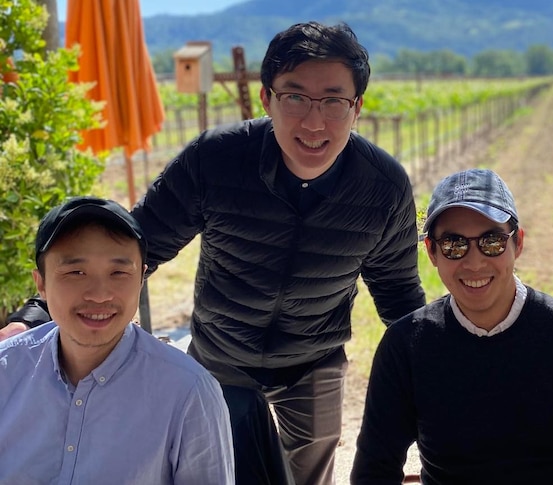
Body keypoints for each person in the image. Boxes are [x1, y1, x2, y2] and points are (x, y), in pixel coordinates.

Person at [3, 21, 425, 485]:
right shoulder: (216, 160)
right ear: (266, 98)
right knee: (219, 469)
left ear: (357, 106)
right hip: (221, 354)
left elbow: (397, 291)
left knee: (310, 473)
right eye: (295, 96)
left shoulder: (382, 188)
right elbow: (139, 244)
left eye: (333, 100)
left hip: (314, 358)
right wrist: (37, 313)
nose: (313, 121)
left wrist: (432, 365)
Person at [351, 168, 553, 484]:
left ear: (517, 243)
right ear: (432, 252)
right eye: (454, 244)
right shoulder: (407, 345)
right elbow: (374, 470)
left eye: (492, 242)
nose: (474, 262)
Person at [0, 196, 234, 484]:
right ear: (41, 284)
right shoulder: (6, 371)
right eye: (76, 272)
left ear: (141, 280)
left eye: (118, 272)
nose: (99, 295)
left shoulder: (188, 393)